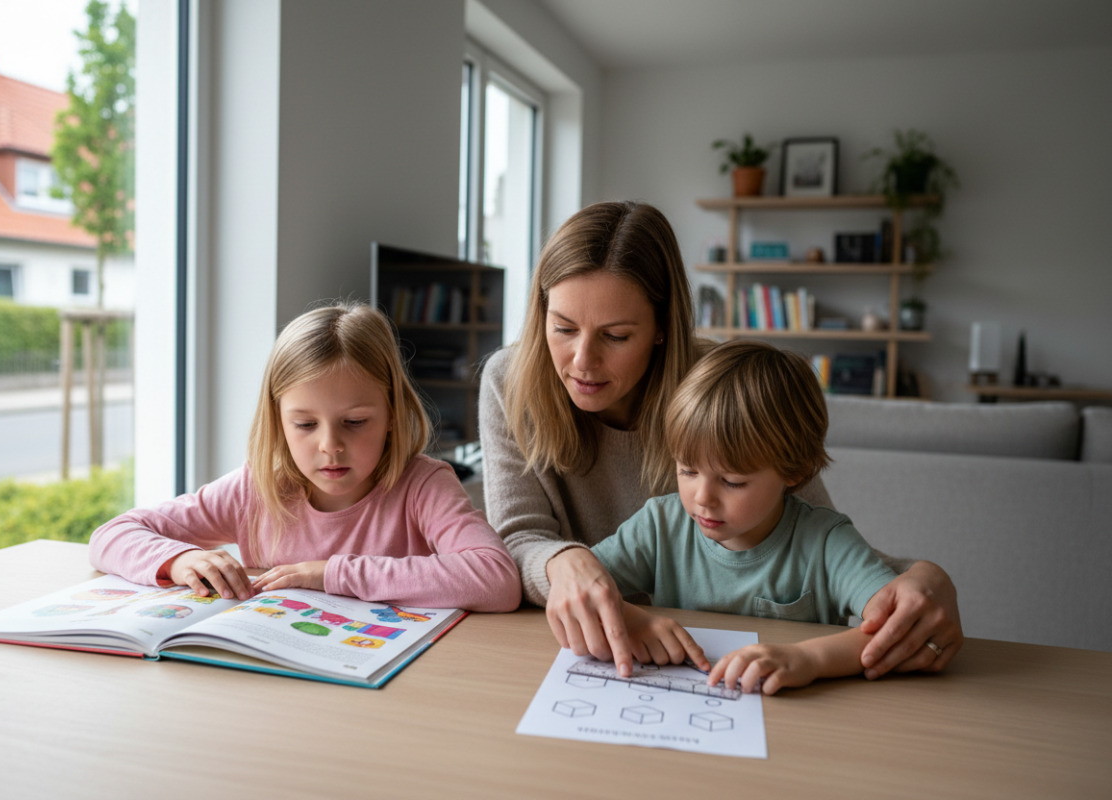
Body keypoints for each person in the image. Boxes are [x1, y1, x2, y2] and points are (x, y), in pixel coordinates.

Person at [479, 200, 962, 677]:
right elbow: (516, 542)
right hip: (609, 658)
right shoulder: (510, 380)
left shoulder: (715, 384)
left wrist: (920, 576)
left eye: (618, 336)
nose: (582, 360)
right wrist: (570, 565)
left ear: (663, 328)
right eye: (562, 327)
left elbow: (799, 529)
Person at [90, 303, 521, 613]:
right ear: (278, 421)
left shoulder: (423, 486)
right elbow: (111, 536)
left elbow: (496, 580)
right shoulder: (255, 489)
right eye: (305, 425)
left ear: (393, 413)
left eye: (355, 422)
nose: (330, 446)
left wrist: (332, 574)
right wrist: (180, 560)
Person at [591, 340, 936, 694]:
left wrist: (810, 659)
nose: (702, 498)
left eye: (732, 481)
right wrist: (626, 616)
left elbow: (898, 629)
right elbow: (576, 587)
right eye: (687, 470)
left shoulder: (827, 542)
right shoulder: (660, 526)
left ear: (795, 472)